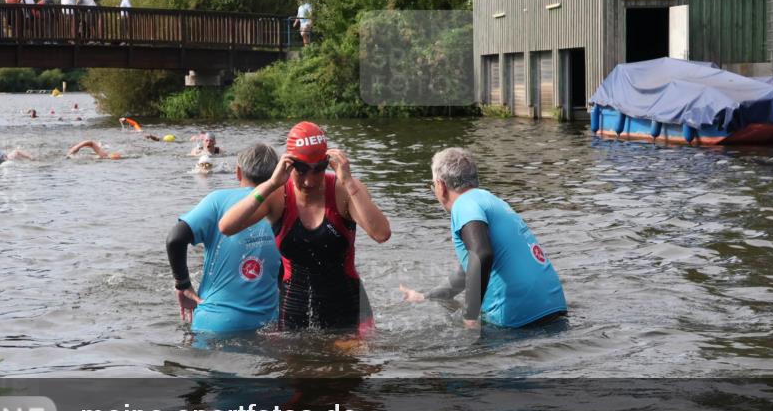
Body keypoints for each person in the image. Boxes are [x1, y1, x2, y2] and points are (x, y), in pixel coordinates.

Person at [219, 122, 391, 332]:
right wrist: (270, 184)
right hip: (294, 309)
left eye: (318, 169)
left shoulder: (344, 191)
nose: (309, 181)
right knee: (294, 364)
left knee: (346, 364)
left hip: (346, 307)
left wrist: (349, 182)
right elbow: (226, 226)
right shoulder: (278, 195)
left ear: (327, 163)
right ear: (289, 164)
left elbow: (381, 234)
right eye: (301, 170)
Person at [400, 147, 567, 329]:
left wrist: (470, 315)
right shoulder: (492, 201)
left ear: (440, 186)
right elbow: (468, 271)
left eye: (432, 186)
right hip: (554, 308)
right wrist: (426, 297)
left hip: (517, 318)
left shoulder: (464, 205)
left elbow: (482, 254)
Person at [167, 144, 282, 334]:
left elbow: (175, 239)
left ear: (238, 172)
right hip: (269, 325)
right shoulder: (283, 205)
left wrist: (183, 285)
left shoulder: (218, 200)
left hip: (215, 324)